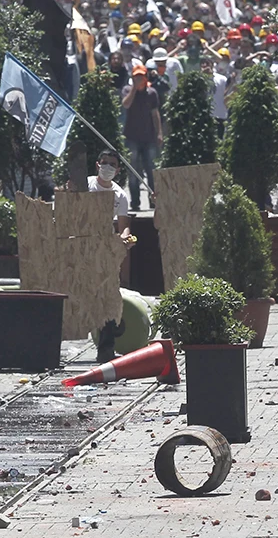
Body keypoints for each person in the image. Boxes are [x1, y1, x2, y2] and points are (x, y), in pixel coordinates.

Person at [88, 148, 136, 362]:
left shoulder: (120, 195)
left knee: (108, 297)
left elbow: (124, 227)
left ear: (117, 171)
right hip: (80, 246)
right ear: (98, 164)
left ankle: (106, 349)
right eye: (104, 162)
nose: (107, 167)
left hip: (104, 250)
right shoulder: (86, 186)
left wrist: (124, 239)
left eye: (112, 165)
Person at [121, 64, 161, 212]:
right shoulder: (127, 90)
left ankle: (153, 200)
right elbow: (125, 105)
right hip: (131, 137)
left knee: (151, 170)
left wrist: (159, 133)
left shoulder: (152, 93)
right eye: (136, 76)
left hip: (148, 137)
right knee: (134, 171)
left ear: (146, 77)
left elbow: (155, 114)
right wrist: (133, 89)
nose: (139, 79)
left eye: (141, 76)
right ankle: (135, 202)